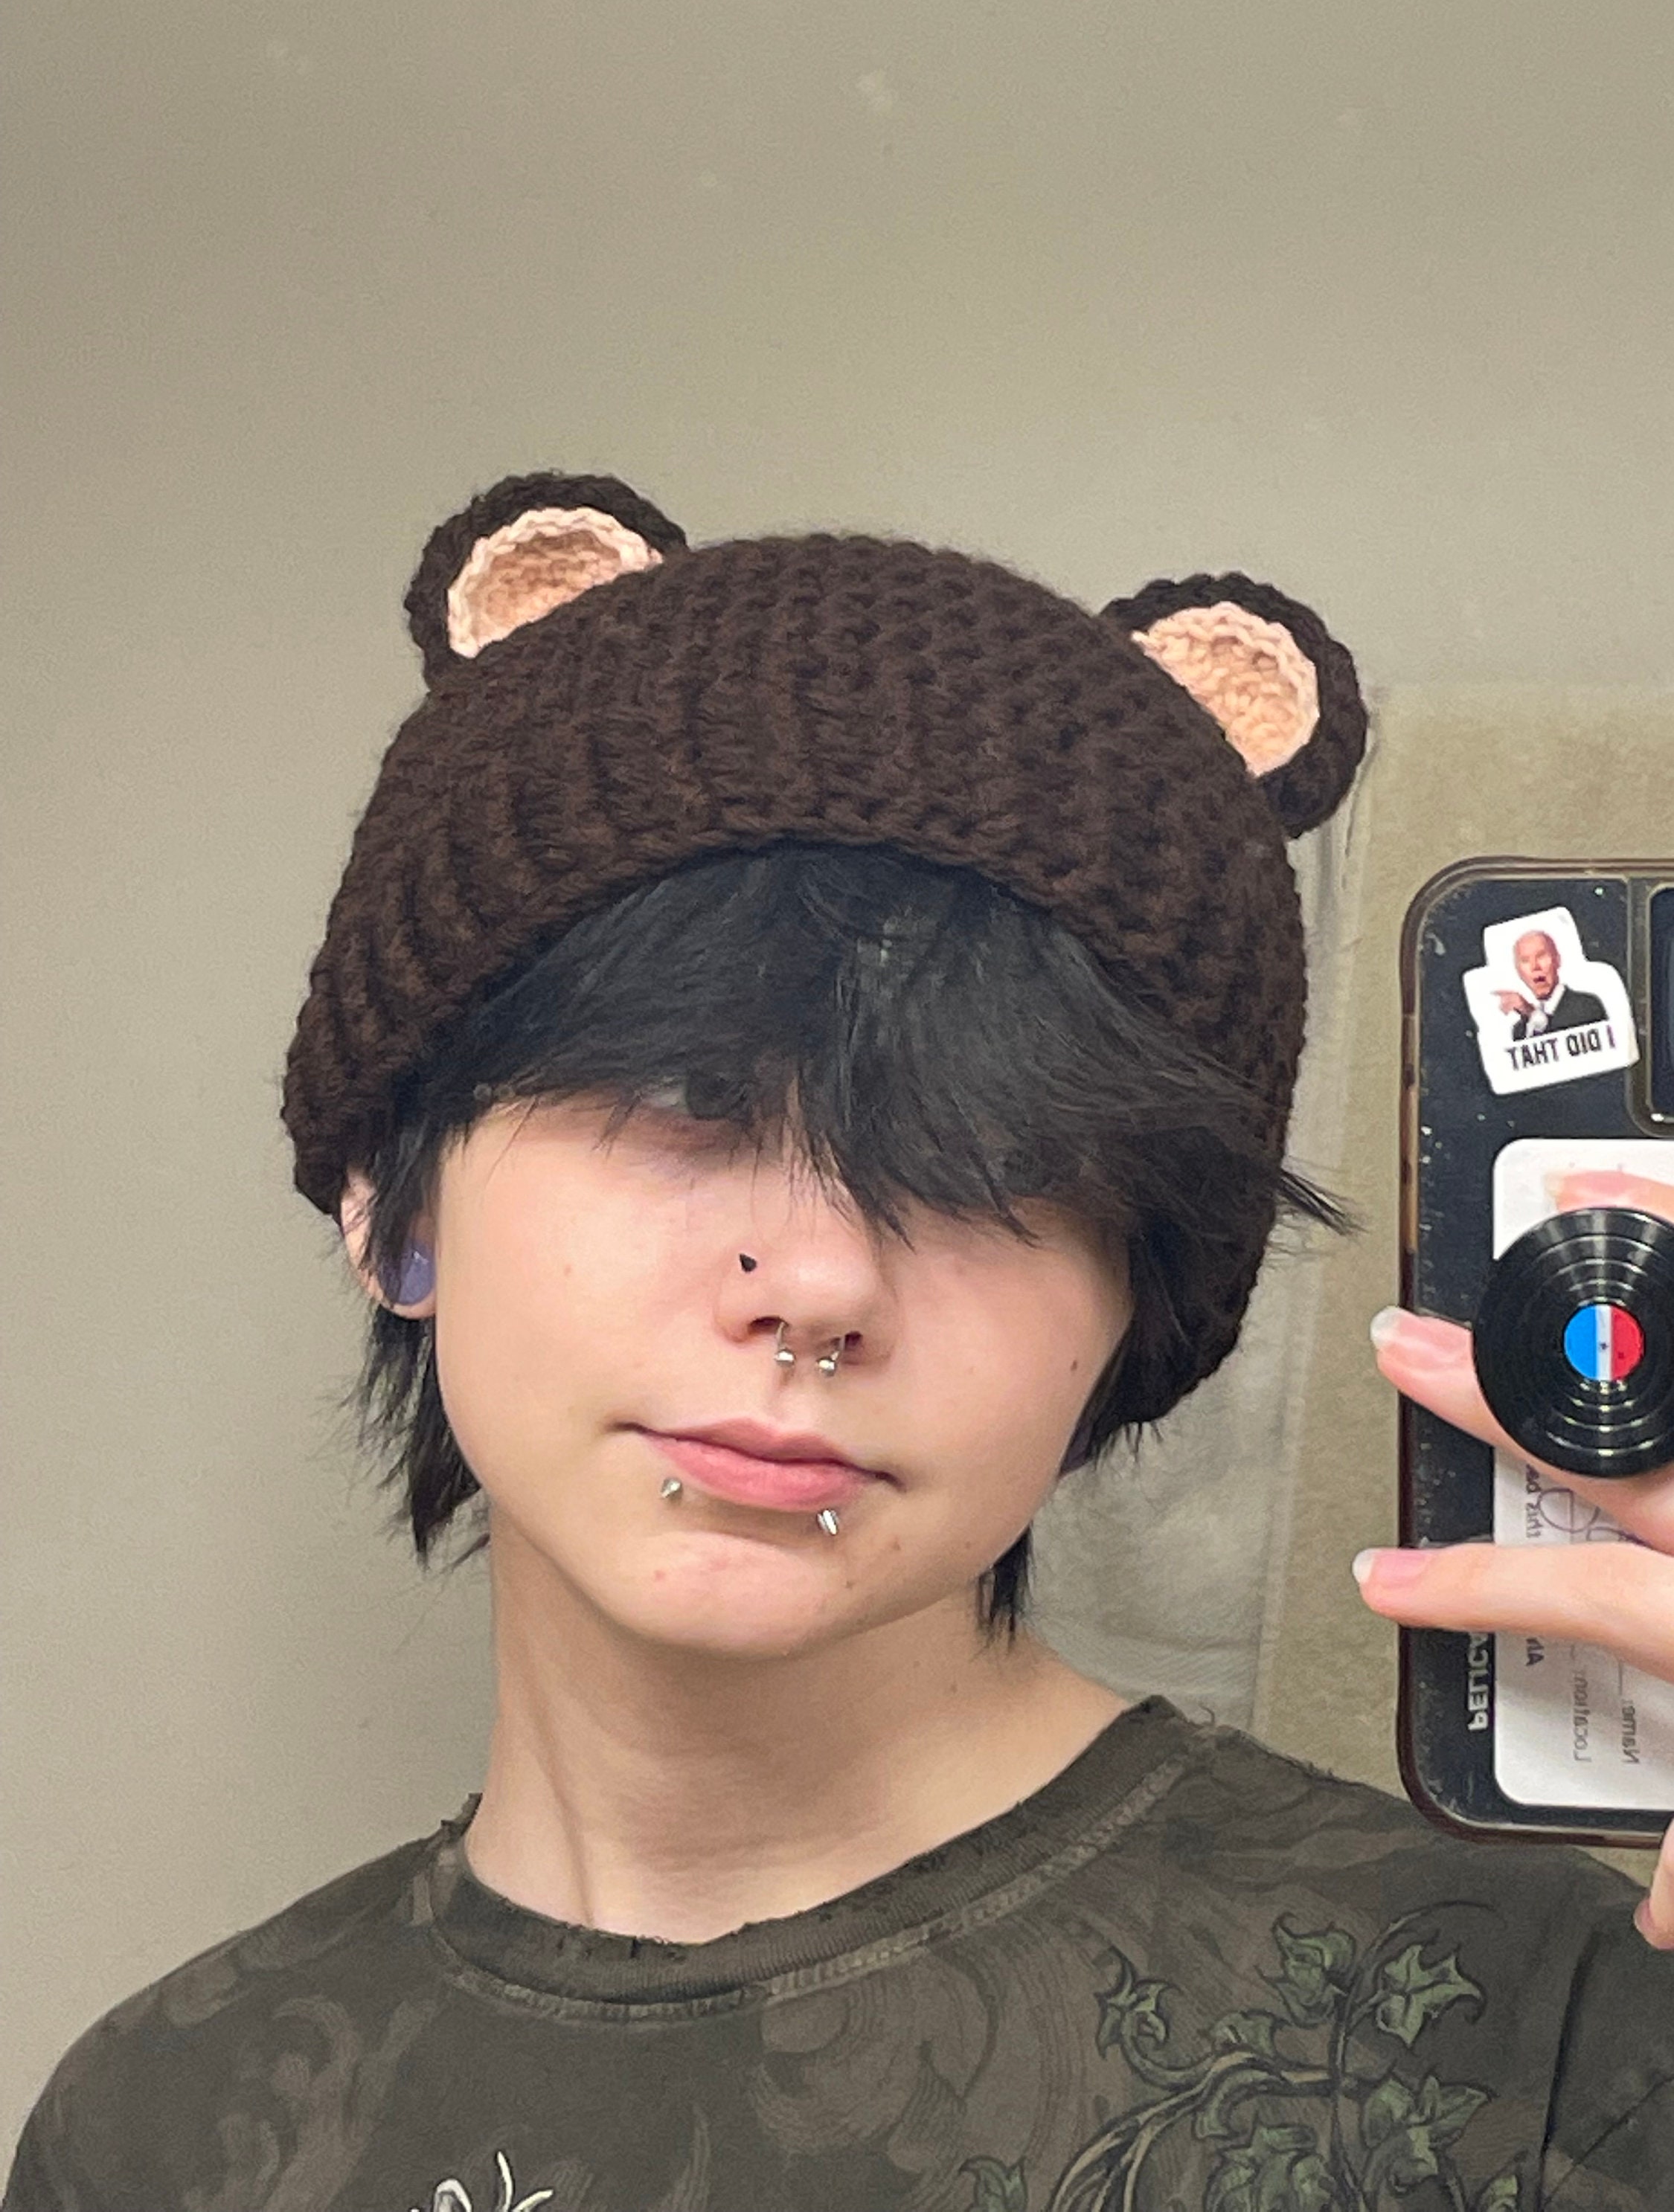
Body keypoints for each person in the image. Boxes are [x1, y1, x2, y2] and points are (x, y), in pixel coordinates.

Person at [7, 472, 1673, 2212]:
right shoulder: (153, 2133)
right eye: (679, 1099)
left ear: (1136, 1311)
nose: (814, 1281)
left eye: (994, 1163)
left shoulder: (1536, 2050)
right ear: (387, 1199)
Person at [1493, 927, 1609, 1041]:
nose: (1535, 966)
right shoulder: (1520, 1031)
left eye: (1541, 956)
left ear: (1557, 960)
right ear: (1519, 972)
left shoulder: (1587, 1007)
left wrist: (1531, 1013)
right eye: (1525, 960)